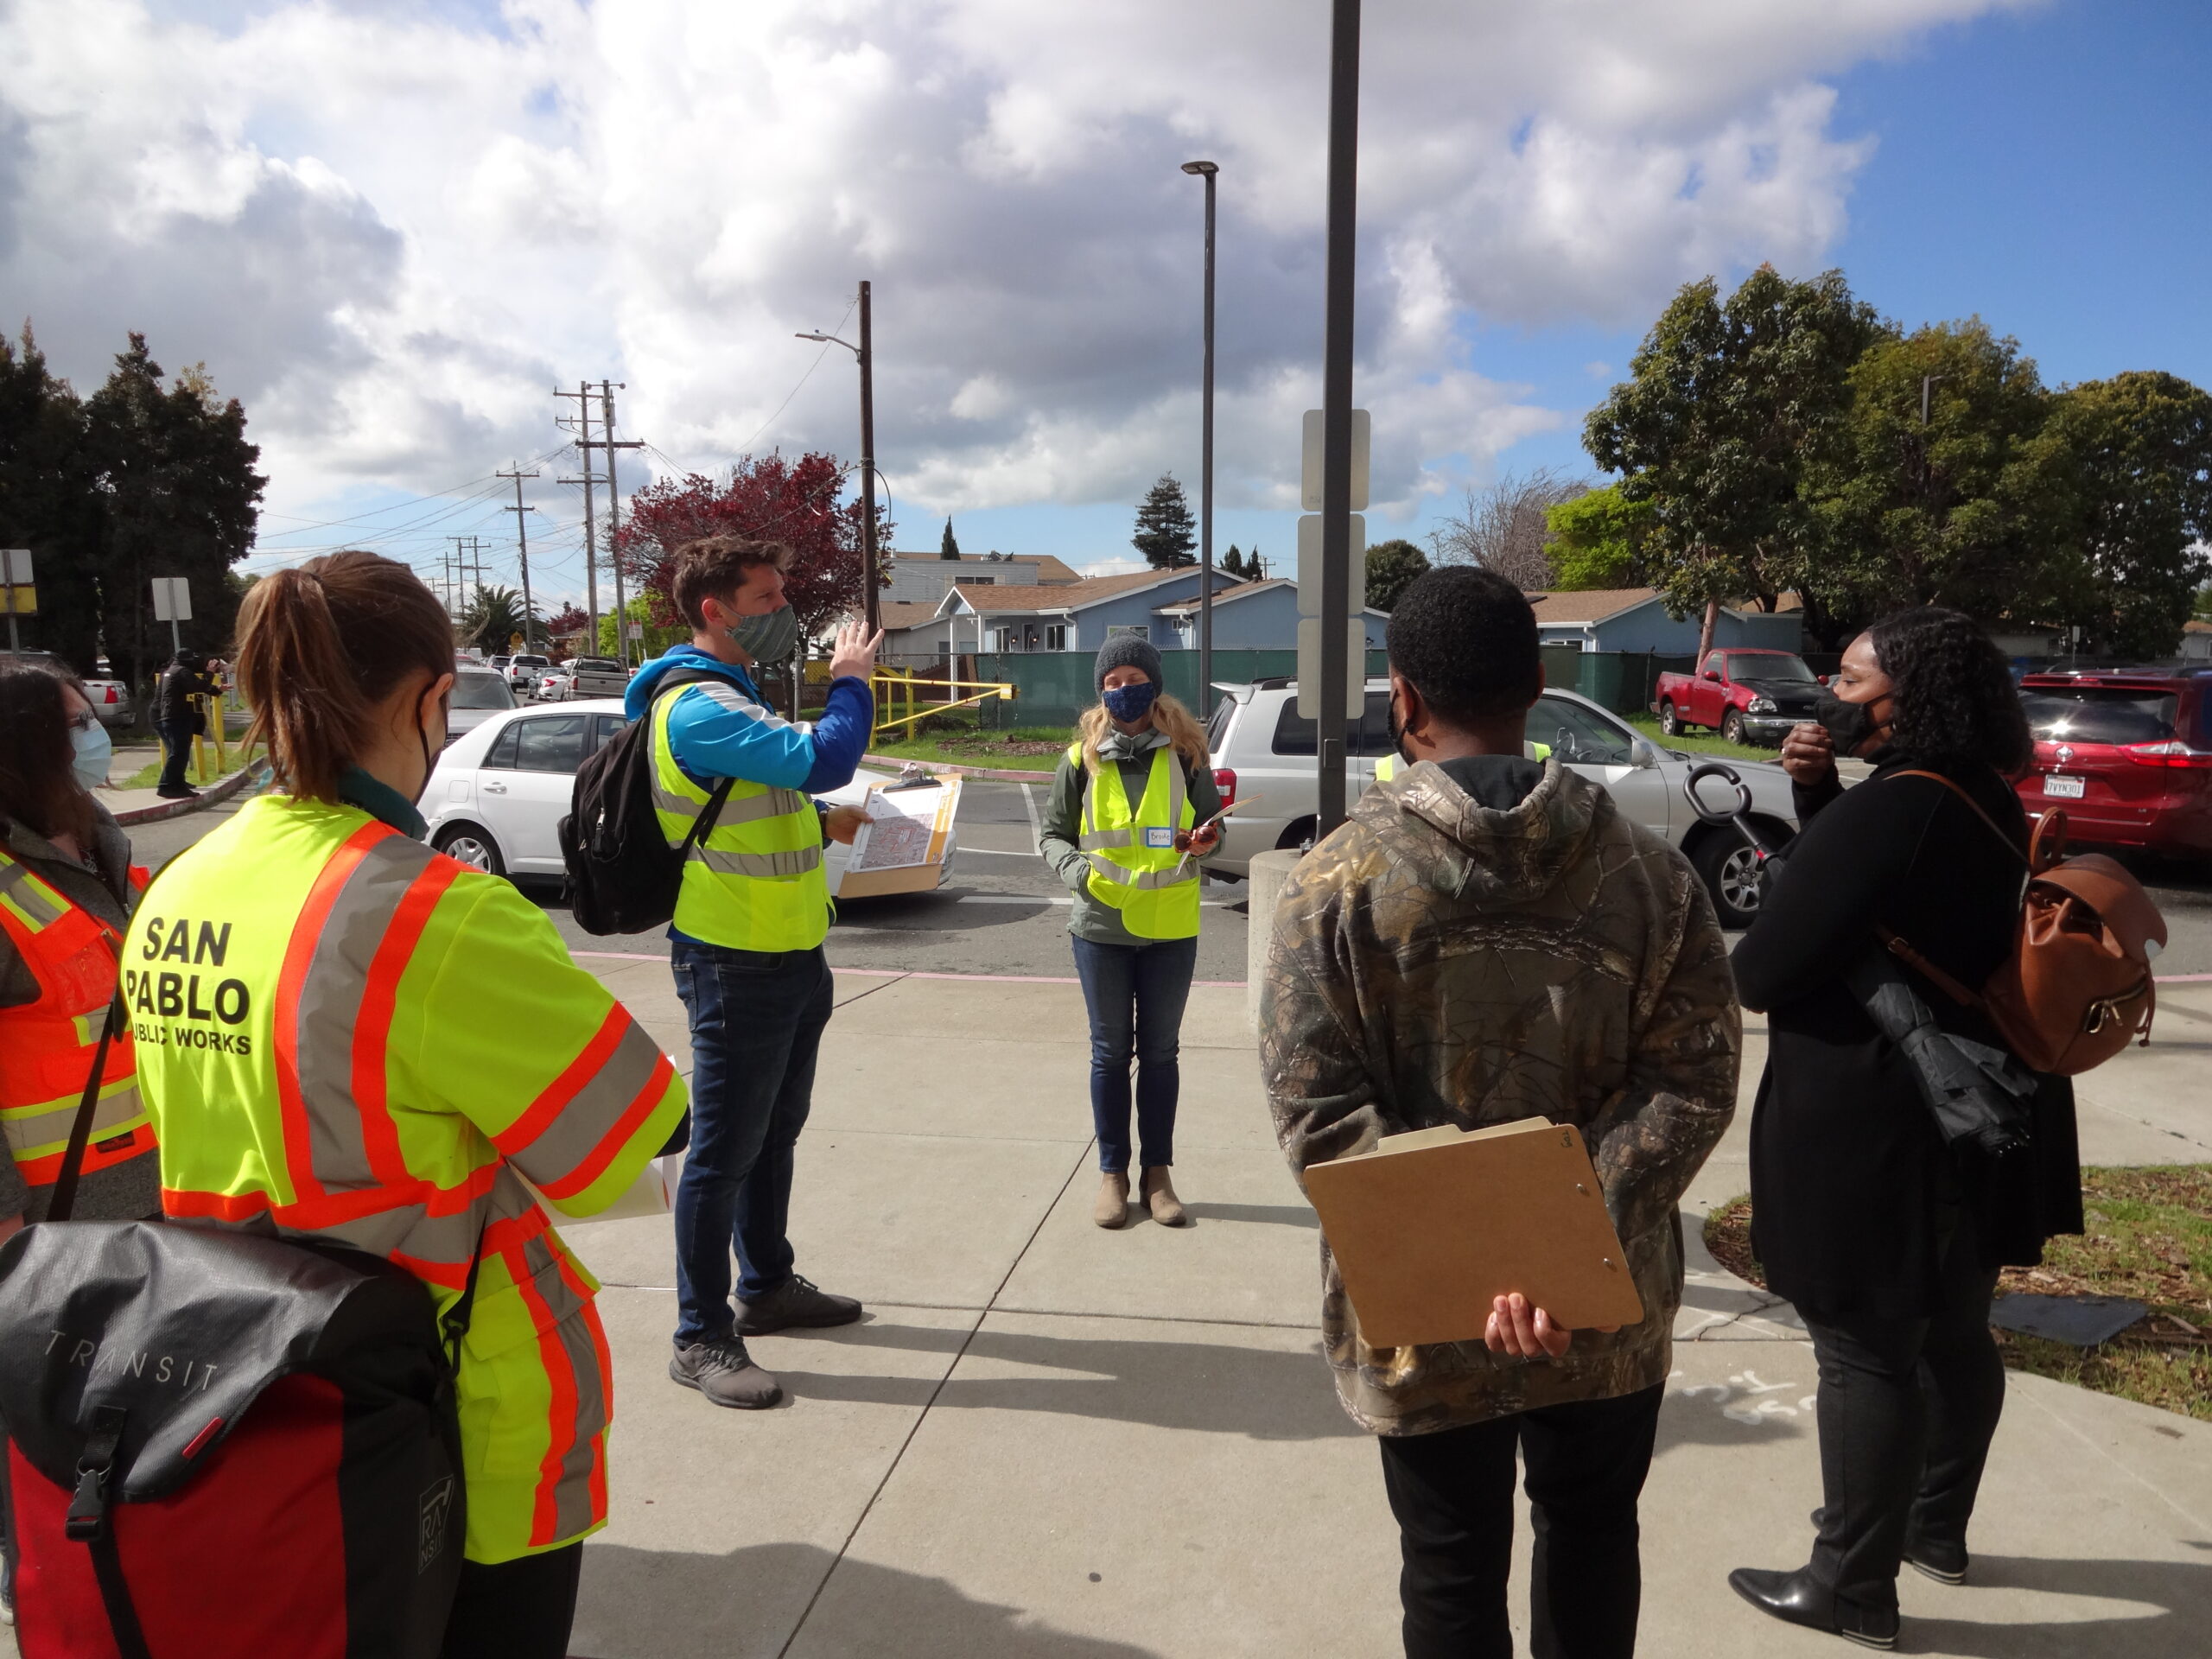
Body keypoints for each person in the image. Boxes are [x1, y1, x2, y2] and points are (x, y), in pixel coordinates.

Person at [130, 550, 689, 1659]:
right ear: (434, 698)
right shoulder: (432, 911)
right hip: (450, 1414)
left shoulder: (184, 881)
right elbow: (639, 1146)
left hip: (239, 1392)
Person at [1259, 568, 1740, 1659]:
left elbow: (1317, 1109)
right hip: (1604, 1303)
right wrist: (1557, 1248)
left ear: (1403, 702)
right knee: (1590, 1536)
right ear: (1536, 684)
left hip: (1422, 1307)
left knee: (1448, 1564)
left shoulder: (1331, 883)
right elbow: (1693, 1082)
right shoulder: (1653, 878)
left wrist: (1478, 1261)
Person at [1726, 607, 2082, 1651]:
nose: (1831, 696)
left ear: (1907, 698)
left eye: (1849, 681)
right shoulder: (1982, 794)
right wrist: (1813, 800)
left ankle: (1850, 1583)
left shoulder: (1898, 805)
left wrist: (1824, 821)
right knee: (1955, 1329)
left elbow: (1761, 969)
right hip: (1978, 1111)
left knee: (1865, 1348)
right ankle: (1933, 1529)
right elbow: (1890, 907)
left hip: (1882, 1116)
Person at [622, 534, 880, 1410]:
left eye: (779, 595)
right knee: (722, 1155)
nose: (784, 615)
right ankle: (699, 1336)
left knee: (774, 1134)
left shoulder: (738, 699)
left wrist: (819, 825)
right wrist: (852, 679)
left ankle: (767, 1285)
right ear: (714, 611)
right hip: (734, 963)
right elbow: (826, 756)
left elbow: (770, 807)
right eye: (766, 601)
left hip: (791, 955)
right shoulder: (696, 707)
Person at [1039, 635, 1223, 1229]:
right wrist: (1078, 875)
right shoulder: (1080, 759)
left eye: (1133, 678)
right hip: (1100, 926)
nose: (1123, 689)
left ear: (1153, 682)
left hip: (1171, 926)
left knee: (1162, 1054)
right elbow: (1053, 835)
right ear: (1101, 689)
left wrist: (1206, 841)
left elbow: (1213, 831)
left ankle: (1158, 1175)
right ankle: (1113, 1174)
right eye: (1112, 680)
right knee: (1111, 1054)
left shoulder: (1189, 754)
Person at [0, 662, 160, 1221]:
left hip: (164, 1184)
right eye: (75, 724)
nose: (95, 735)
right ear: (25, 744)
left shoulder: (101, 844)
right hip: (59, 1216)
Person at [153, 648, 220, 800]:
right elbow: (199, 687)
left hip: (170, 716)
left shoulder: (171, 671)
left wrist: (215, 689)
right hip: (176, 717)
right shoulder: (182, 671)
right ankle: (166, 786)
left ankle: (177, 784)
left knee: (179, 753)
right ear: (188, 660)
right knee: (178, 753)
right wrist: (210, 672)